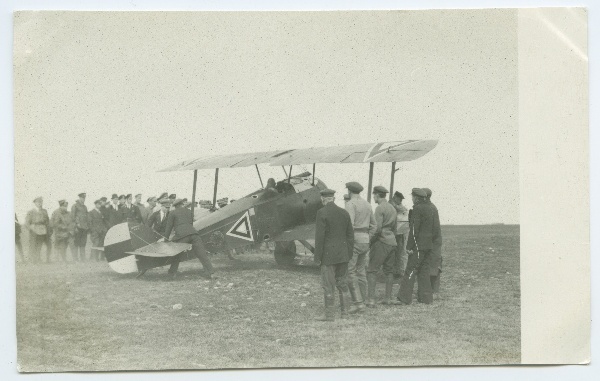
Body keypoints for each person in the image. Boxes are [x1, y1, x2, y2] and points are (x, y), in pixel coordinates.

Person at [313, 189, 354, 322]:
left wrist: (317, 257)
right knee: (342, 283)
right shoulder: (344, 213)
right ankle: (345, 313)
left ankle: (329, 315)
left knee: (328, 285)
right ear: (333, 198)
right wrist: (348, 254)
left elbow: (320, 237)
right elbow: (350, 236)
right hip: (343, 255)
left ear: (323, 199)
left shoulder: (321, 213)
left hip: (328, 256)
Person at [396, 188, 435, 305]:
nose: (412, 199)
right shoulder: (430, 208)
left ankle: (404, 298)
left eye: (412, 197)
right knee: (424, 271)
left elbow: (414, 230)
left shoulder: (417, 209)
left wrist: (409, 246)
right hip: (428, 245)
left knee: (410, 271)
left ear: (416, 198)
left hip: (418, 246)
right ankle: (426, 298)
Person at [344, 181, 376, 313]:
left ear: (349, 191)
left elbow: (349, 225)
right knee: (361, 270)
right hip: (365, 239)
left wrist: (348, 241)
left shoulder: (350, 204)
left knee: (350, 271)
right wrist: (368, 236)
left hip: (355, 239)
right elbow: (374, 225)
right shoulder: (367, 204)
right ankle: (363, 299)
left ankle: (357, 303)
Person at [164, 198, 215, 280]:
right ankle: (211, 272)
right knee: (202, 254)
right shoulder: (189, 212)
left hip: (182, 236)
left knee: (177, 255)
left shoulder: (172, 213)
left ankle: (172, 273)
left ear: (175, 206)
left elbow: (169, 227)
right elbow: (191, 223)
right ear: (182, 204)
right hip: (194, 234)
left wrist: (166, 239)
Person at [366, 185, 397, 307]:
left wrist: (370, 241)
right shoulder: (392, 208)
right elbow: (394, 228)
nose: (373, 197)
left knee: (371, 270)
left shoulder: (379, 208)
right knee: (389, 271)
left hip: (382, 242)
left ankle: (371, 300)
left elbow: (377, 229)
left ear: (377, 195)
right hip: (392, 242)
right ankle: (388, 298)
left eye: (374, 195)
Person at [423, 188, 443, 293]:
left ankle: (435, 292)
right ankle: (430, 290)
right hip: (431, 240)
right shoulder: (429, 207)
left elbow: (434, 229)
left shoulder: (431, 208)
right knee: (429, 265)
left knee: (434, 265)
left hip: (433, 241)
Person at [25, 197, 52, 263]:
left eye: (41, 202)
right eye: (38, 202)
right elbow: (27, 222)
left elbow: (47, 221)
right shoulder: (31, 212)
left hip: (43, 229)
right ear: (35, 203)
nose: (40, 203)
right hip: (35, 230)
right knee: (35, 245)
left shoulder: (44, 211)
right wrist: (31, 228)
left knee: (46, 244)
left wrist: (49, 229)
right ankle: (34, 260)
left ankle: (46, 259)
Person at [390, 191, 410, 279]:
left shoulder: (398, 206)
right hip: (392, 233)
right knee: (393, 253)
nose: (401, 201)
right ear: (395, 197)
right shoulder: (390, 205)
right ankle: (393, 272)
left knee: (399, 253)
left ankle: (397, 272)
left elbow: (404, 209)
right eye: (399, 199)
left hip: (399, 233)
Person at [71, 192, 90, 261]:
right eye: (82, 198)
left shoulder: (85, 207)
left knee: (83, 243)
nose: (83, 199)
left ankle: (83, 258)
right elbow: (72, 217)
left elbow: (87, 217)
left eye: (84, 198)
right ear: (79, 198)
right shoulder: (75, 206)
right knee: (76, 243)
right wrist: (76, 225)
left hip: (84, 228)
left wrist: (87, 226)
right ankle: (75, 259)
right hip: (78, 228)